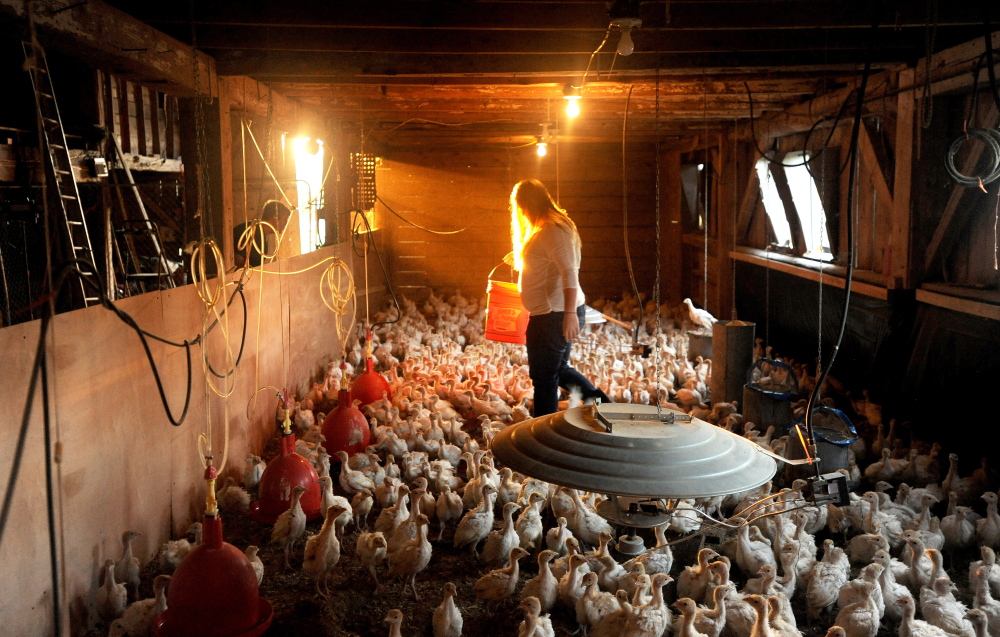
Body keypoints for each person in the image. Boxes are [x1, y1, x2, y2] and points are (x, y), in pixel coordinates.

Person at [509, 179, 611, 417]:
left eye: (521, 208)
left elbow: (569, 271)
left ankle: (542, 429)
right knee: (556, 371)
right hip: (551, 312)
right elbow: (549, 262)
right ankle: (606, 407)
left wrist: (569, 314)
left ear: (527, 204)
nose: (521, 214)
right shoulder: (549, 226)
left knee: (544, 377)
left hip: (553, 314)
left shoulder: (553, 229)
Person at [233, 200, 290, 268]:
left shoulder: (261, 235)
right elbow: (237, 260)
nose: (286, 223)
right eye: (285, 219)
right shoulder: (251, 230)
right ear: (275, 217)